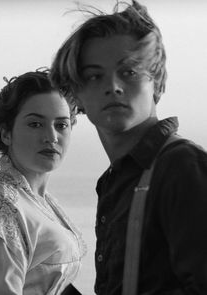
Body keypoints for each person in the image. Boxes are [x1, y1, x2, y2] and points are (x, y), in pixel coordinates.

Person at [50, 0, 207, 294]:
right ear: (75, 95)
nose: (113, 86)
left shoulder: (181, 166)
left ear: (156, 82)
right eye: (94, 76)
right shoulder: (118, 179)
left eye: (129, 72)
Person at [0, 69, 86, 295]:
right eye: (35, 124)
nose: (51, 136)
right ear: (6, 133)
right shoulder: (2, 206)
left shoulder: (39, 201)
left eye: (61, 125)